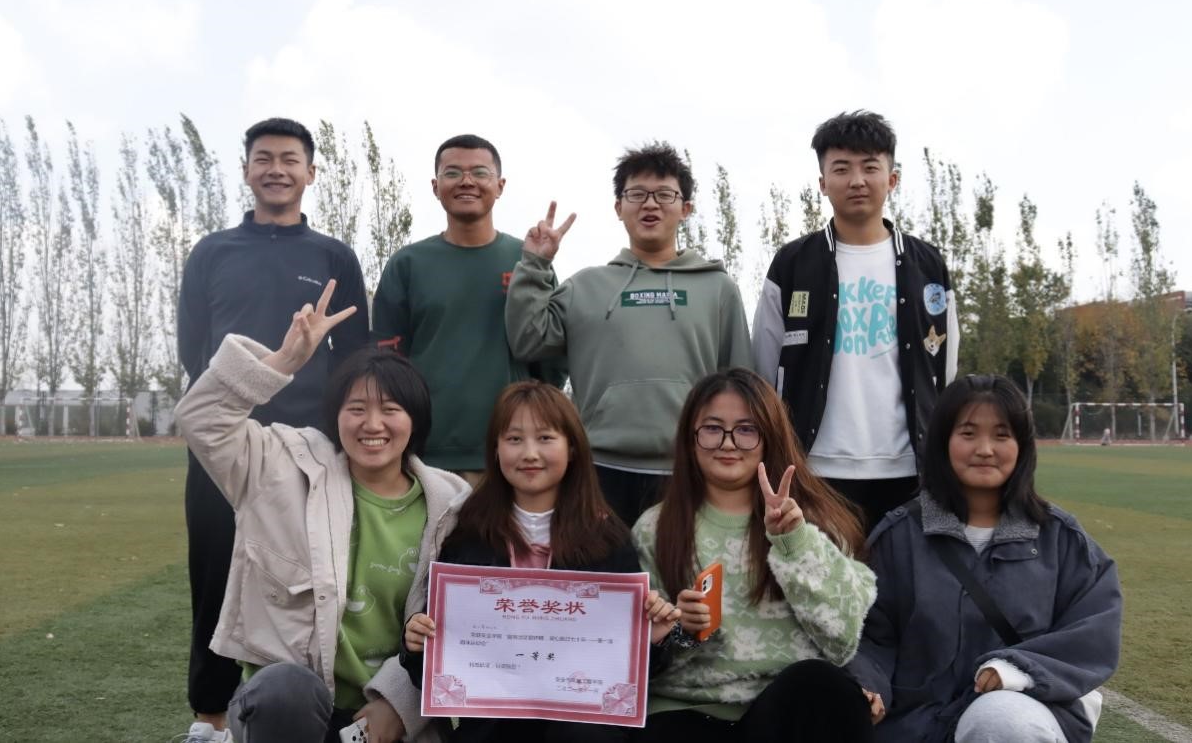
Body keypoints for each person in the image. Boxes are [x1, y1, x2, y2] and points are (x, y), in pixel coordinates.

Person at [176, 280, 469, 743]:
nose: (372, 424)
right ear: (335, 415)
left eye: (391, 409)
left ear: (416, 419)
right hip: (292, 708)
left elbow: (455, 629)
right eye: (357, 408)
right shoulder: (281, 467)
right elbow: (201, 421)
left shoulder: (451, 505)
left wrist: (397, 704)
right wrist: (281, 362)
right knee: (285, 692)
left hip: (390, 711)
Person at [177, 117, 369, 737]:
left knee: (307, 578)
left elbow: (355, 355)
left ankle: (305, 708)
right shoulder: (212, 252)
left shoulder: (333, 256)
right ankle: (210, 716)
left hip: (307, 451)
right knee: (213, 572)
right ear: (246, 170)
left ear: (310, 172)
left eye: (290, 159)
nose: (276, 169)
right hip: (225, 444)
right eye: (264, 158)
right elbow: (194, 349)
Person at [402, 380, 681, 743]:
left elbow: (626, 673)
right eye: (514, 439)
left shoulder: (607, 539)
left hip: (579, 729)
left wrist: (652, 639)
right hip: (491, 728)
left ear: (573, 448)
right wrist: (416, 644)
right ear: (496, 450)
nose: (530, 453)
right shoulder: (467, 534)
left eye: (546, 438)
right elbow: (437, 666)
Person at [849, 375, 1122, 743]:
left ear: (1022, 445)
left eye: (1001, 435)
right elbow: (870, 634)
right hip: (914, 723)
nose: (985, 449)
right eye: (968, 433)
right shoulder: (898, 537)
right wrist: (866, 684)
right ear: (943, 441)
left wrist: (1018, 670)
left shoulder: (1061, 539)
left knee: (1000, 719)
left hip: (1020, 712)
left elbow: (1093, 631)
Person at [506, 141, 753, 526]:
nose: (650, 204)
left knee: (677, 567)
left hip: (688, 467)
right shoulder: (585, 286)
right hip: (597, 467)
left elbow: (741, 384)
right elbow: (527, 340)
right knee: (601, 565)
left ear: (685, 208)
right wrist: (536, 264)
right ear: (618, 207)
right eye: (637, 194)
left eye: (664, 195)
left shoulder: (717, 288)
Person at [633, 368, 878, 742]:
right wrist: (683, 632)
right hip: (686, 710)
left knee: (825, 685)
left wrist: (794, 542)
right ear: (689, 439)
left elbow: (841, 640)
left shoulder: (818, 522)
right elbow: (631, 658)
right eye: (712, 428)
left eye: (746, 430)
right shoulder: (653, 528)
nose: (728, 443)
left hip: (785, 709)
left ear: (770, 437)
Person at [752, 110, 959, 532]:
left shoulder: (927, 264)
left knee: (902, 575)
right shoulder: (793, 263)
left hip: (909, 467)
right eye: (841, 168)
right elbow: (764, 366)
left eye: (870, 167)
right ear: (823, 183)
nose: (857, 180)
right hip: (812, 466)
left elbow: (945, 365)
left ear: (892, 179)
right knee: (817, 575)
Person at [373, 135, 566, 481]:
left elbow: (551, 355)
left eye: (479, 172)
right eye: (452, 173)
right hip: (425, 451)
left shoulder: (528, 260)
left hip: (511, 451)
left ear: (500, 185)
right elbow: (387, 362)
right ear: (435, 186)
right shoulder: (408, 264)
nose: (466, 181)